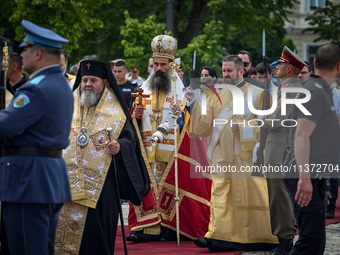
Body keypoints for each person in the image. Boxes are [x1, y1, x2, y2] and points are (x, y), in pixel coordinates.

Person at [54, 59, 149, 254]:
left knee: (94, 238)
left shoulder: (117, 111)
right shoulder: (67, 103)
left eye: (93, 80)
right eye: (85, 80)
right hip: (66, 184)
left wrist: (119, 146)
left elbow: (130, 141)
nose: (88, 84)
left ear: (104, 82)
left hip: (101, 187)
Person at [186, 55, 278, 252]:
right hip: (221, 154)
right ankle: (217, 235)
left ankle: (256, 235)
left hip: (247, 155)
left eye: (229, 71)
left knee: (249, 193)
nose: (225, 75)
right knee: (220, 191)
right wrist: (193, 104)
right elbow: (203, 125)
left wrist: (245, 127)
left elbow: (266, 125)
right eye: (223, 71)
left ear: (241, 71)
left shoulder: (258, 94)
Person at [127, 34, 212, 243]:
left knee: (170, 189)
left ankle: (168, 228)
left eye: (163, 64)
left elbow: (196, 124)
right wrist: (136, 117)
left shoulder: (183, 92)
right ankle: (145, 229)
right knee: (148, 186)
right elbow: (132, 123)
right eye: (155, 64)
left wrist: (184, 113)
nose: (158, 68)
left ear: (171, 64)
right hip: (147, 149)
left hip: (173, 149)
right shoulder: (142, 89)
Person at [0, 20, 73, 255]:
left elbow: (5, 127)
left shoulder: (36, 89)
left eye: (25, 50)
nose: (21, 56)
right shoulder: (59, 84)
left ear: (38, 53)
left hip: (28, 182)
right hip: (46, 178)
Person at [284, 43, 340, 255]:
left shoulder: (319, 90)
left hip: (315, 173)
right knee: (309, 241)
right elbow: (300, 136)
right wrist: (305, 179)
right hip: (305, 174)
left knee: (315, 241)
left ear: (315, 63)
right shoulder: (315, 92)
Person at [261, 46, 308, 255]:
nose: (277, 67)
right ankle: (285, 238)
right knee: (281, 195)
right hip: (282, 146)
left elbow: (280, 119)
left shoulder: (290, 88)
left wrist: (261, 120)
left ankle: (284, 241)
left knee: (278, 196)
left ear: (289, 69)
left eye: (281, 64)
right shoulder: (291, 86)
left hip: (280, 146)